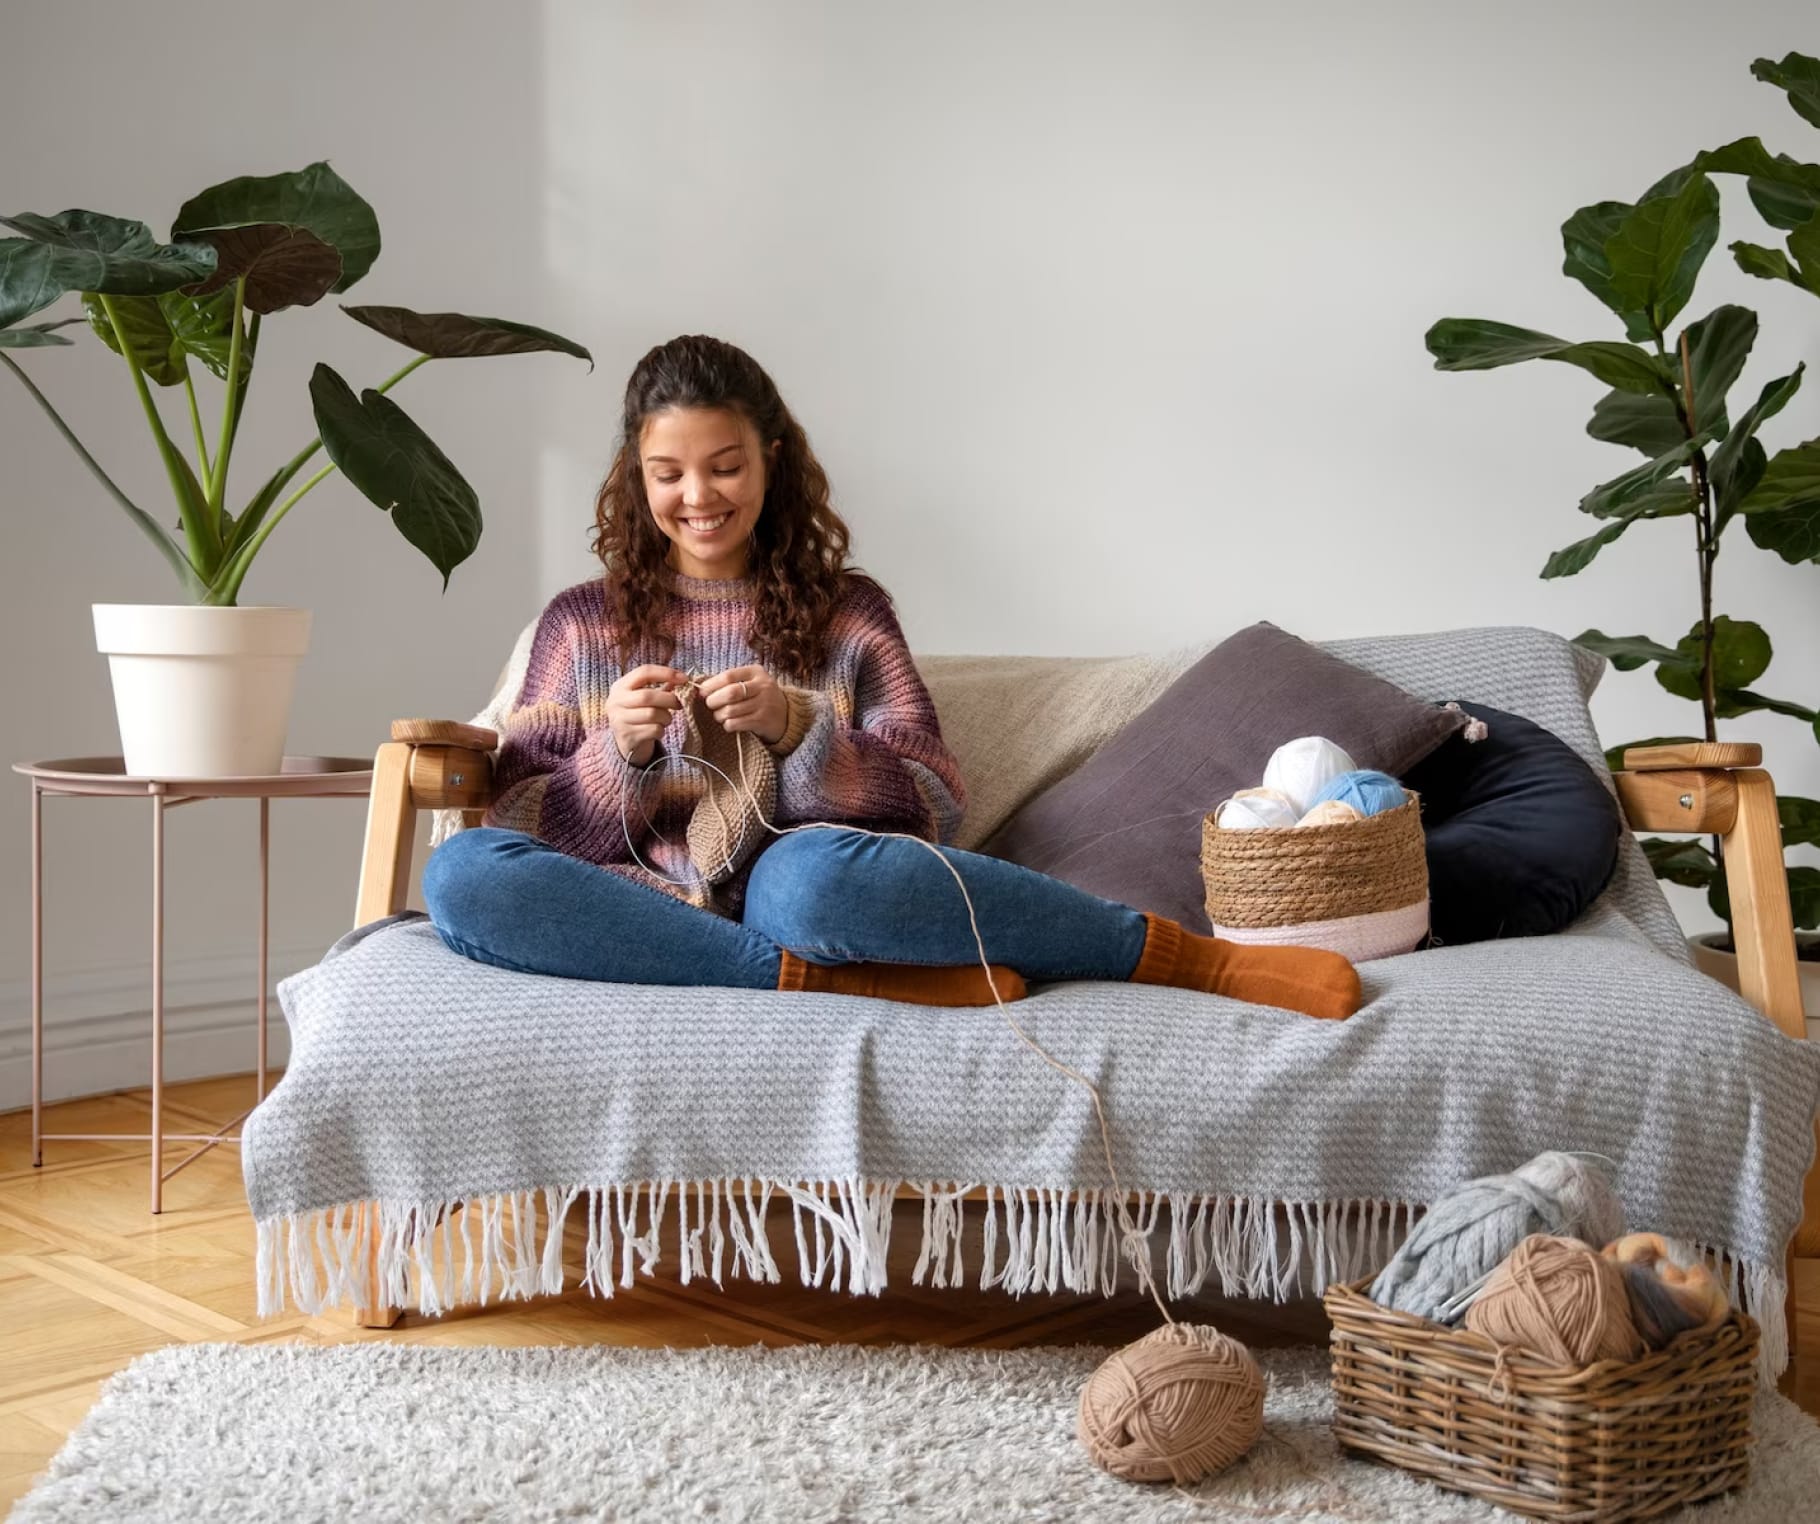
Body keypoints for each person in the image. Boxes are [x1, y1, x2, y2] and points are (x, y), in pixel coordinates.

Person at [423, 335, 1361, 1020]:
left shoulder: (848, 612)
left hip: (810, 890)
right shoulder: (581, 624)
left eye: (725, 466)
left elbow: (933, 803)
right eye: (669, 473)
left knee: (806, 881)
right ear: (637, 474)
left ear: (771, 461)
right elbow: (515, 818)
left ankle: (1191, 961)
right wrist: (613, 754)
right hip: (638, 908)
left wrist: (800, 731)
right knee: (462, 874)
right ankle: (811, 979)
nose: (698, 497)